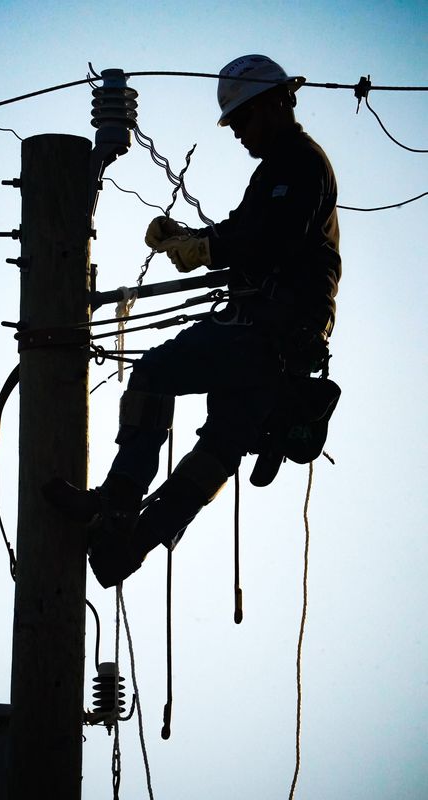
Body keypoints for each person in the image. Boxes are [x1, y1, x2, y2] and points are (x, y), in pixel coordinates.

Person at [43, 54, 341, 588]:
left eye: (244, 119)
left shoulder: (299, 162)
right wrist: (191, 237)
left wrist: (204, 248)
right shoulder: (280, 168)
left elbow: (268, 237)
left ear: (277, 103)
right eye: (234, 125)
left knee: (154, 375)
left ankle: (116, 505)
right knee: (219, 449)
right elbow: (249, 230)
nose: (239, 133)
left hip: (269, 331)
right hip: (282, 344)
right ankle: (128, 548)